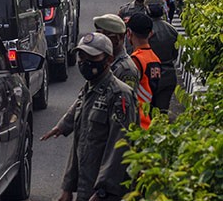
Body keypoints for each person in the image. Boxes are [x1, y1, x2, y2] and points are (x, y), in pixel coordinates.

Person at [40, 33, 137, 201]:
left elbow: (120, 146)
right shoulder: (88, 90)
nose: (84, 62)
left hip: (107, 193)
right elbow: (80, 141)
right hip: (86, 190)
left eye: (92, 57)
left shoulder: (119, 94)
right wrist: (68, 187)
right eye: (81, 56)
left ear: (108, 59)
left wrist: (103, 191)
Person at [144, 0, 178, 113]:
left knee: (146, 114)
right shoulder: (171, 30)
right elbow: (175, 54)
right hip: (168, 75)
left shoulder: (144, 32)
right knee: (162, 113)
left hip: (148, 76)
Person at [127, 13, 162, 130]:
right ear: (150, 34)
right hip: (151, 121)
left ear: (129, 33)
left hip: (138, 123)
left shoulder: (135, 60)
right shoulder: (155, 58)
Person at [94, 14, 140, 92]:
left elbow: (126, 100)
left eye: (107, 35)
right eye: (99, 34)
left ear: (120, 37)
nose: (101, 40)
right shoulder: (102, 60)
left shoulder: (126, 70)